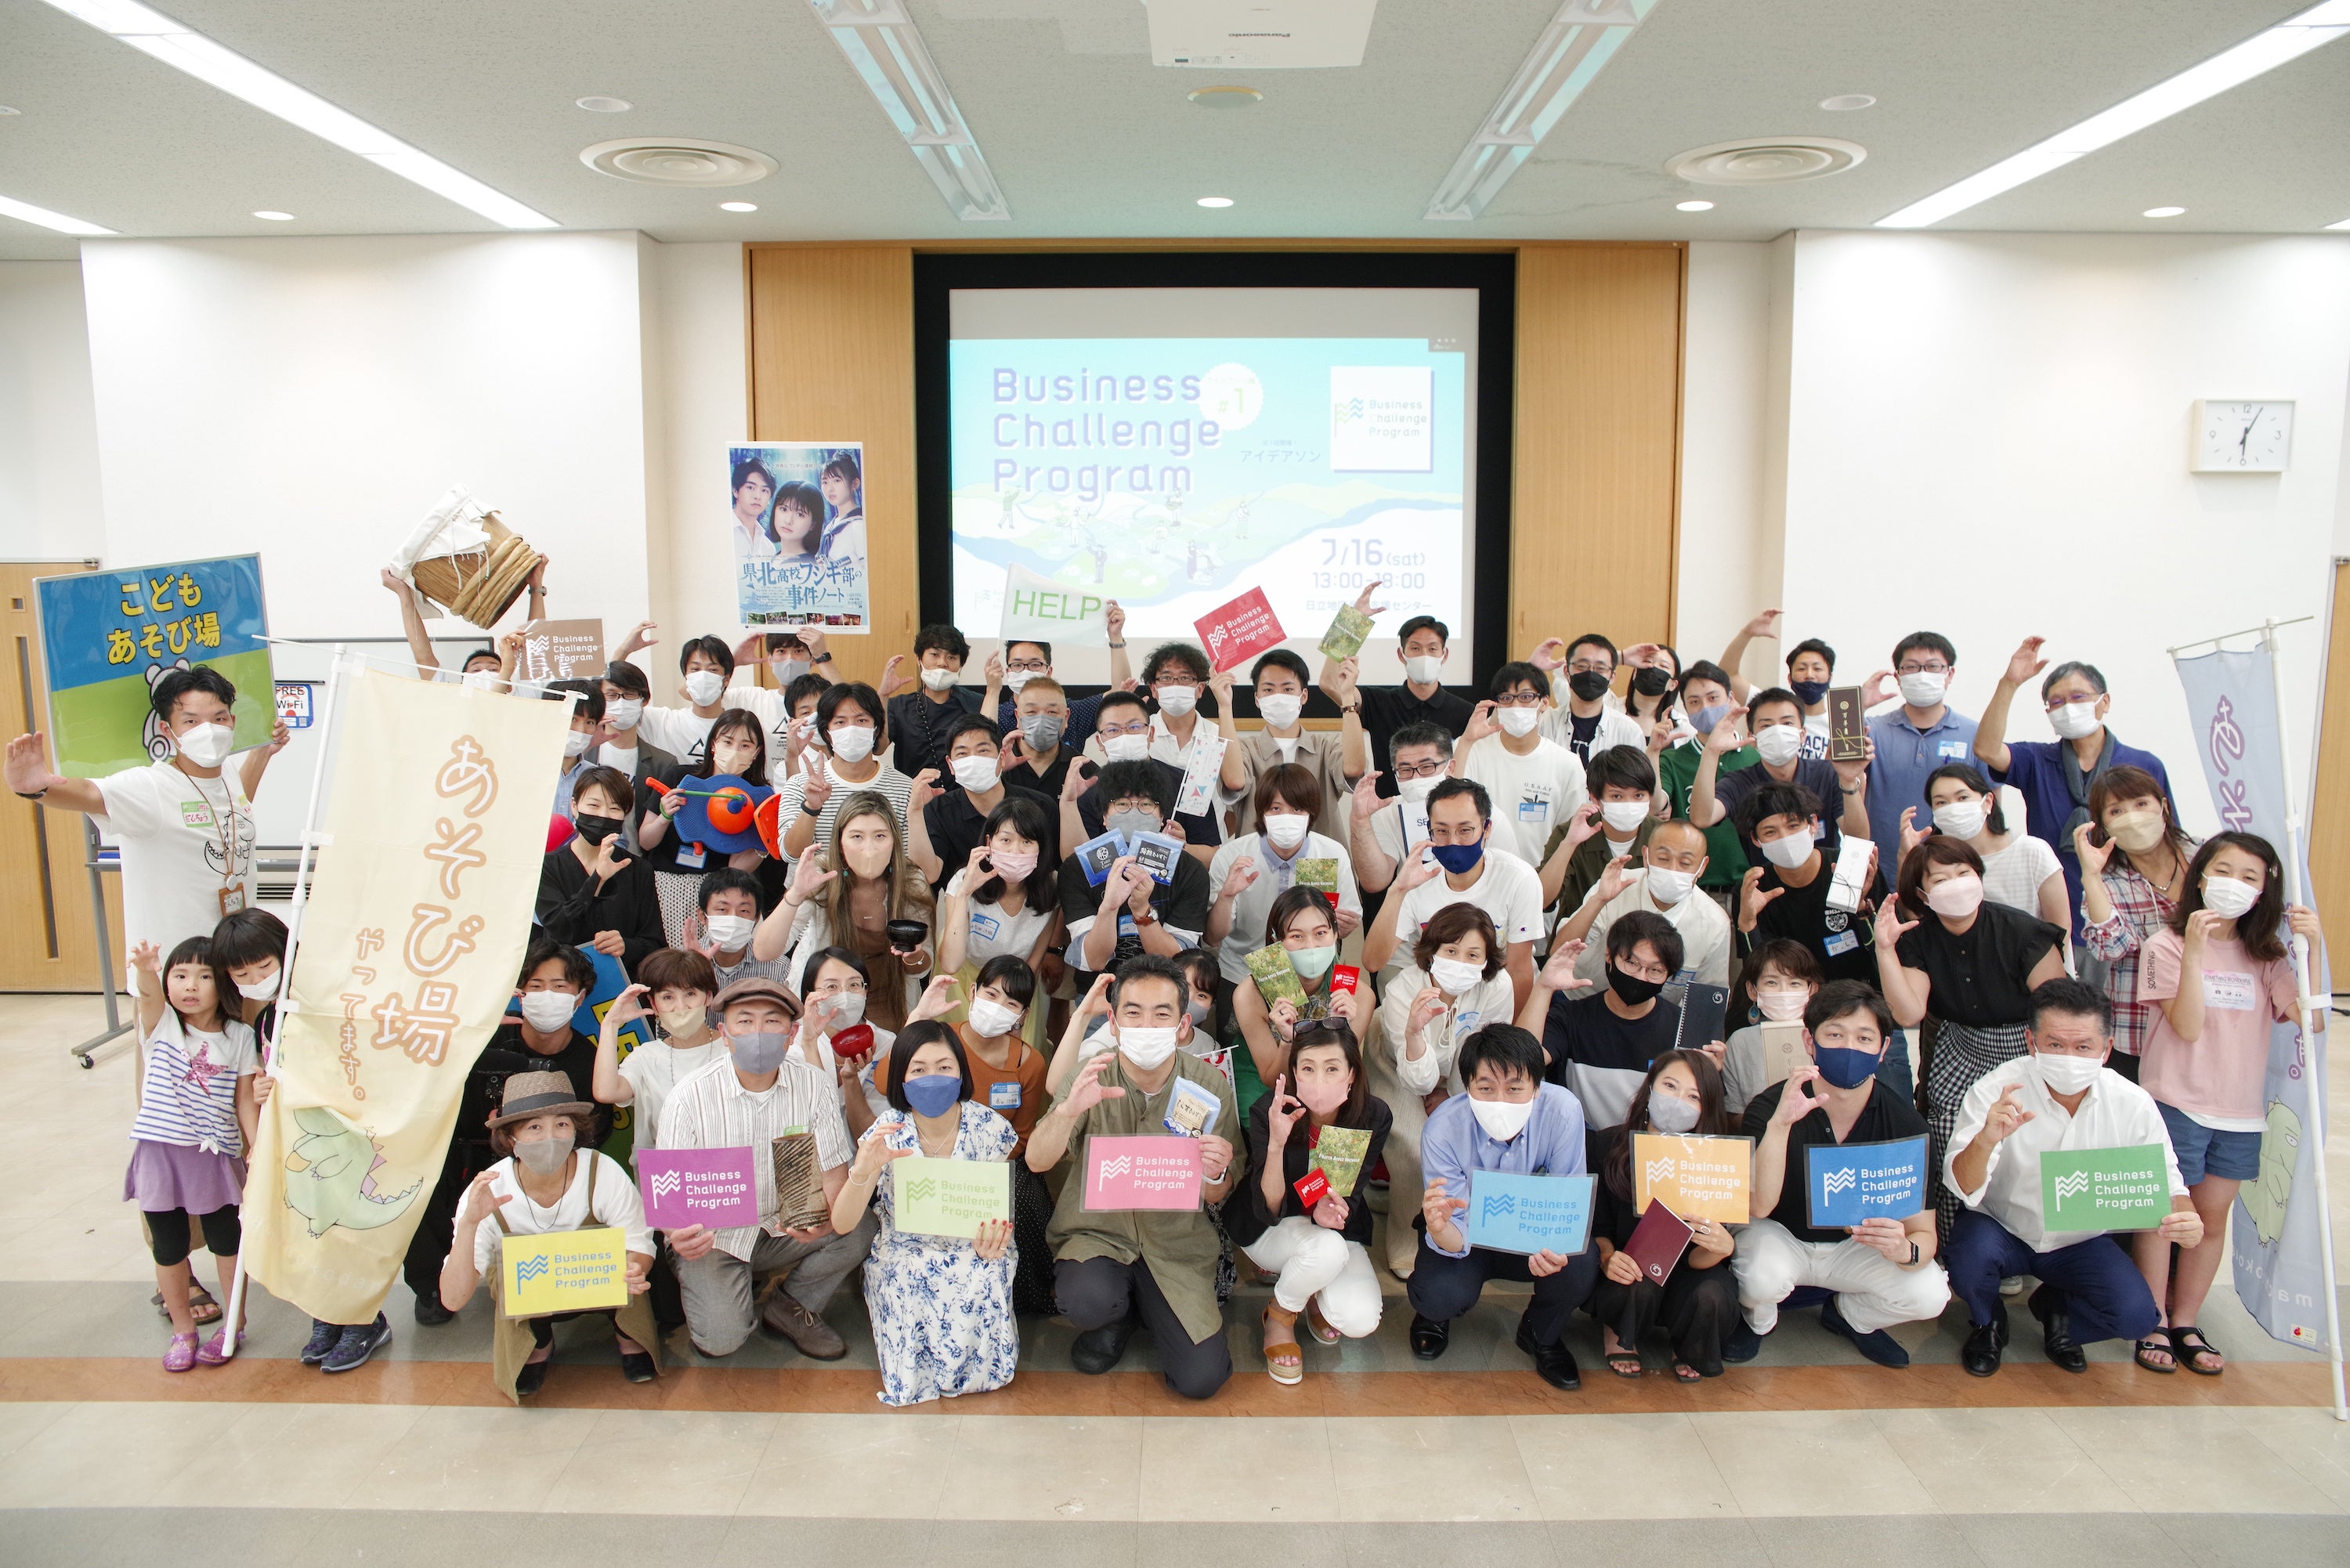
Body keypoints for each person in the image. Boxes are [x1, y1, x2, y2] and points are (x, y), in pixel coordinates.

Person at [2133, 832, 2323, 1376]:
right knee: (2166, 1218)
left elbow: (2311, 1020)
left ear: (2264, 892)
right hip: (2175, 1103)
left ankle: (2186, 1320)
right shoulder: (2165, 945)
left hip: (2239, 1114)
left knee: (2211, 1220)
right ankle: (2152, 1320)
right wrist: (2196, 949)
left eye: (2249, 877)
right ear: (2200, 876)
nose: (2234, 884)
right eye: (2223, 870)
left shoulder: (2267, 956)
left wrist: (2313, 950)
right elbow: (2187, 1026)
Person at [1944, 978, 2197, 1377]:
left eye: (2083, 1047)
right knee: (1968, 1260)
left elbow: (2167, 1181)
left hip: (2081, 1240)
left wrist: (2187, 1217)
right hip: (2003, 1227)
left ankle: (2057, 1312)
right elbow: (1961, 1185)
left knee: (2136, 1317)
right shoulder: (1995, 1090)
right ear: (2032, 1042)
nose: (2069, 1057)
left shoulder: (2132, 1102)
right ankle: (1988, 1322)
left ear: (2106, 1049)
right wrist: (1986, 1139)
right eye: (2055, 1044)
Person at [1029, 956, 1244, 1398]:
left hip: (1176, 1244)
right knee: (1087, 1300)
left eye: (1162, 1014)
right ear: (1113, 1021)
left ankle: (1152, 1306)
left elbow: (1217, 1192)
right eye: (1133, 1012)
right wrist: (1067, 1111)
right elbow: (1037, 1161)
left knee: (1202, 1379)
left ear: (1183, 1025)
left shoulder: (1208, 1085)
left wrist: (1217, 1171)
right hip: (1098, 1235)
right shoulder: (1089, 1075)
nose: (1147, 1025)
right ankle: (1115, 1317)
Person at [6, 665, 284, 978]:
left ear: (232, 722)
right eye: (191, 721)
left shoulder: (228, 773)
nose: (208, 730)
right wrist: (36, 788)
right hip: (175, 972)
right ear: (167, 730)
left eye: (218, 719)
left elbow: (235, 805)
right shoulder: (149, 786)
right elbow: (89, 793)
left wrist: (263, 753)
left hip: (238, 960)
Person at [1728, 981, 1949, 1368]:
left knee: (1930, 1294)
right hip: (1781, 1237)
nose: (1849, 1048)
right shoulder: (1769, 1107)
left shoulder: (1906, 1125)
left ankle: (1851, 1316)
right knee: (1760, 1278)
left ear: (1883, 1049)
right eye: (1835, 1034)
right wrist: (1780, 1126)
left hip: (1857, 1248)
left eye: (1864, 1038)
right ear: (1809, 1041)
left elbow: (1923, 1233)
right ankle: (1758, 1321)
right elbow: (1758, 1207)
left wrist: (1905, 1251)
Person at [656, 977, 877, 1360]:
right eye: (744, 1021)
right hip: (714, 1237)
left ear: (791, 1035)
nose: (758, 1033)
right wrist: (677, 1234)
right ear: (724, 1034)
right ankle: (721, 1286)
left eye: (772, 1021)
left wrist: (826, 1221)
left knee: (859, 1226)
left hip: (784, 1224)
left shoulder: (814, 1085)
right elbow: (669, 1194)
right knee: (721, 1341)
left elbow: (833, 1174)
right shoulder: (688, 1097)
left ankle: (792, 1305)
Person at [1873, 836, 2067, 1242]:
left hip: (2024, 1044)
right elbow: (1908, 1013)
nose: (1957, 884)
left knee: (2027, 1136)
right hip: (1960, 1045)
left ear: (1979, 876)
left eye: (1964, 873)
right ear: (1923, 894)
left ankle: (2030, 1237)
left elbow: (2058, 1009)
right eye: (1941, 879)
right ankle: (1948, 1241)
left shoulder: (2023, 931)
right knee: (1947, 1131)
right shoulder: (1917, 939)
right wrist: (1885, 950)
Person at [404, 938, 595, 1327]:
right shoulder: (488, 1034)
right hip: (470, 1153)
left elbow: (590, 1131)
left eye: (559, 987)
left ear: (580, 997)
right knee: (417, 1179)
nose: (546, 995)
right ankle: (432, 1285)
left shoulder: (588, 1058)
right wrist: (466, 1035)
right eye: (536, 986)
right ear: (519, 992)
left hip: (544, 1164)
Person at [829, 1022, 1021, 1405]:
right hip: (903, 1248)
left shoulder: (989, 1127)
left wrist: (995, 1240)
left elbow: (994, 1205)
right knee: (908, 1277)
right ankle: (916, 1374)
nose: (932, 1077)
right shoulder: (886, 1132)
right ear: (901, 1077)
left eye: (944, 1067)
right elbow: (843, 1223)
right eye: (918, 1069)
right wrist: (863, 1170)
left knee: (984, 1273)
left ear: (962, 1071)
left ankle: (978, 1374)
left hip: (973, 1244)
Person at [438, 1071, 657, 1398]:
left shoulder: (602, 1170)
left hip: (599, 1281)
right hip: (532, 1288)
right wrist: (468, 1224)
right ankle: (537, 1340)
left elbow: (639, 1240)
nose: (550, 1137)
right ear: (511, 1139)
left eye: (562, 1124)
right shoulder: (487, 1189)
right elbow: (453, 1299)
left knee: (624, 1255)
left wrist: (635, 1268)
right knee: (507, 1267)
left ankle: (628, 1334)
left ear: (576, 1130)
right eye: (534, 1127)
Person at [1405, 1023, 1599, 1389]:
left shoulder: (1563, 1111)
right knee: (1438, 1292)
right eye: (1486, 1088)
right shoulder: (1442, 1128)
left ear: (1536, 1086)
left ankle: (1541, 1333)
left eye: (1515, 1088)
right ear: (1467, 1087)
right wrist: (1440, 1229)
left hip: (1531, 1231)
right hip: (1467, 1235)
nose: (1500, 1101)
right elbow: (1453, 1220)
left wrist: (1555, 1247)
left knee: (1579, 1263)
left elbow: (1566, 1197)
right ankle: (1433, 1317)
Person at [1974, 638, 2175, 935]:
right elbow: (1986, 749)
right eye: (2057, 702)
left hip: (2136, 910)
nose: (2068, 707)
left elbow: (2170, 840)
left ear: (2104, 702)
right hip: (2062, 913)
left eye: (2078, 697)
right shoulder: (2038, 761)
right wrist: (2009, 684)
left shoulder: (2142, 764)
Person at [1227, 1021, 1391, 1382]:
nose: (1319, 1079)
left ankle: (1310, 1292)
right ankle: (1280, 1314)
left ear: (1352, 1074)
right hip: (1271, 1228)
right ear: (1294, 1073)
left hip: (1332, 1229)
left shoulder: (1373, 1115)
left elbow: (1353, 1191)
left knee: (1359, 1318)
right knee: (1326, 1251)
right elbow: (1268, 1207)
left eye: (1332, 1068)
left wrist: (1334, 1213)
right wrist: (1276, 1143)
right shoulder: (1270, 1111)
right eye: (1308, 1068)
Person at [125, 936, 258, 1371]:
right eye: (180, 976)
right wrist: (145, 969)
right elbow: (148, 994)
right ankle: (183, 1330)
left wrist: (256, 1147)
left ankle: (234, 1323)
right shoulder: (161, 1023)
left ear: (223, 984)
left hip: (215, 1156)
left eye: (203, 977)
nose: (190, 986)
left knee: (227, 1242)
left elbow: (244, 1100)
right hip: (160, 1155)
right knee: (168, 1247)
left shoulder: (239, 1036)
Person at [1372, 905, 1517, 1276]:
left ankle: (1458, 1229)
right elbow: (1417, 1080)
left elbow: (1485, 1054)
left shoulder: (1497, 987)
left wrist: (1451, 1097)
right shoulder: (1404, 989)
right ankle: (1408, 1240)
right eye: (1451, 951)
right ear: (1432, 949)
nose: (1461, 962)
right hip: (1399, 1065)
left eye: (1473, 955)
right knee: (1416, 1147)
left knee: (1466, 1138)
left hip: (1461, 1074)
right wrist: (1415, 1033)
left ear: (1487, 960)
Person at [1589, 1050, 1740, 1380]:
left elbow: (1697, 1261)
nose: (1677, 1101)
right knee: (1633, 1282)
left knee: (1712, 1294)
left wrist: (1721, 1248)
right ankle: (1619, 1330)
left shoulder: (1717, 1159)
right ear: (1650, 1088)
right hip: (1633, 1266)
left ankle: (1688, 1342)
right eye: (1670, 1086)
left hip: (1688, 1273)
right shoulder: (1608, 1144)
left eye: (1693, 1096)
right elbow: (1597, 1225)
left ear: (1707, 1107)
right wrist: (1608, 1257)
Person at [757, 791, 935, 1031]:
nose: (869, 848)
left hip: (890, 1001)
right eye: (857, 837)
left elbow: (922, 968)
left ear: (894, 841)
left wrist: (913, 956)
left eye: (880, 836)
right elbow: (765, 951)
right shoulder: (822, 874)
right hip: (827, 1001)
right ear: (840, 843)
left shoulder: (911, 880)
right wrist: (796, 894)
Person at [1362, 778, 1545, 1010]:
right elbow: (1373, 961)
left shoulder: (1519, 878)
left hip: (1501, 999)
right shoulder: (1418, 881)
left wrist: (1508, 1030)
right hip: (1438, 1001)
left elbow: (1518, 970)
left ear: (1487, 829)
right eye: (1441, 831)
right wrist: (1397, 890)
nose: (1453, 841)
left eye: (1465, 830)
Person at [2077, 767, 2200, 1082]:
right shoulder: (2108, 880)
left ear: (2164, 807)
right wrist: (2091, 875)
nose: (2132, 817)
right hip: (2139, 1031)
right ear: (2103, 825)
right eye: (2116, 811)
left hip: (2209, 1023)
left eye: (2141, 804)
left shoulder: (2205, 858)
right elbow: (2110, 948)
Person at [950, 954, 1056, 1313]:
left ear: (1023, 1015)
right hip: (939, 1158)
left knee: (1025, 1199)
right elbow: (887, 1081)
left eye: (1011, 1003)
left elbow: (1022, 1135)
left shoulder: (1030, 1062)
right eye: (991, 994)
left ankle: (1026, 1296)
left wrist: (985, 1167)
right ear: (973, 992)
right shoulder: (942, 1042)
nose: (997, 1007)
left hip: (997, 1162)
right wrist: (918, 1018)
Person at [1520, 909, 1689, 1132]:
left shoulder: (1683, 1028)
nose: (1641, 977)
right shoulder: (1571, 1017)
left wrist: (1709, 1072)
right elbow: (1521, 1063)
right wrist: (1544, 987)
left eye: (1655, 970)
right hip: (1584, 1145)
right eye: (1632, 963)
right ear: (1609, 956)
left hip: (1652, 1146)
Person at [1206, 764, 1363, 998]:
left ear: (1311, 813)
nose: (1286, 817)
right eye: (1276, 808)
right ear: (1262, 812)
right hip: (1244, 974)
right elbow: (1212, 937)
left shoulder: (1332, 853)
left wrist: (1344, 926)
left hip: (1313, 976)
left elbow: (1344, 925)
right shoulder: (1232, 856)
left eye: (1297, 809)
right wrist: (1227, 897)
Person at [1058, 761, 1212, 985]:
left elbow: (1178, 961)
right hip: (1099, 991)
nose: (1134, 811)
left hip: (1166, 992)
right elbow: (1094, 960)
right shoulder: (1079, 868)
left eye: (1146, 804)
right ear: (1104, 817)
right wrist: (1109, 907)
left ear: (1162, 818)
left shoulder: (1190, 871)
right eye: (1122, 804)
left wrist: (1142, 910)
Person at [1688, 686, 1869, 872]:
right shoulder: (1740, 782)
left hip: (1825, 880)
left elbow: (1858, 839)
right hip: (1767, 884)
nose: (1778, 731)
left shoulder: (1827, 773)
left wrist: (1849, 781)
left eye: (1787, 723)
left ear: (1803, 734)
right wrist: (1711, 752)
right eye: (1766, 726)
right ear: (1752, 737)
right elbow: (1702, 818)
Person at [1230, 885, 1373, 1115]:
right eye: (1297, 936)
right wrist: (1287, 1040)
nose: (1311, 946)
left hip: (1325, 1079)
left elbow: (1343, 1073)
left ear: (1336, 934)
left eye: (1321, 933)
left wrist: (1341, 1031)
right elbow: (1271, 1079)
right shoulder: (1249, 994)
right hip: (1264, 1078)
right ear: (1276, 940)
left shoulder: (1359, 994)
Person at [935, 796, 1062, 1047]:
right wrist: (965, 893)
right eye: (1006, 840)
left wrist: (1016, 1009)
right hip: (964, 981)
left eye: (1027, 841)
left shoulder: (1051, 886)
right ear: (988, 843)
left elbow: (1034, 961)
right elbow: (950, 963)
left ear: (1041, 847)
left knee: (1018, 1055)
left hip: (1017, 986)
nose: (1015, 850)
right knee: (960, 1051)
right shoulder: (963, 880)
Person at [1734, 782, 1886, 990]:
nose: (1785, 838)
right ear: (1755, 839)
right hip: (1792, 999)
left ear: (1813, 823)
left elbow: (1890, 950)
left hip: (1861, 992)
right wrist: (1748, 923)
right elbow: (1758, 974)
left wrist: (1863, 909)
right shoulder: (1754, 889)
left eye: (1793, 826)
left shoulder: (1851, 868)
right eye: (1770, 832)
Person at [639, 703, 769, 944]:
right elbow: (646, 841)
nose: (735, 751)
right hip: (664, 887)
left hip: (717, 897)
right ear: (713, 745)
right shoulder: (680, 778)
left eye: (745, 745)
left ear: (757, 752)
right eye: (727, 742)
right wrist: (665, 817)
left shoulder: (756, 797)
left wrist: (764, 844)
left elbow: (736, 868)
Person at [1555, 819, 1730, 988]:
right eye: (1663, 858)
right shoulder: (1616, 886)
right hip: (1584, 995)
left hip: (1661, 1008)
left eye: (1685, 863)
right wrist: (1599, 900)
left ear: (1702, 866)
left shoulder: (1714, 922)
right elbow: (1558, 950)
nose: (1672, 869)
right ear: (1646, 856)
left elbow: (1709, 992)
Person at [1320, 591, 1473, 782]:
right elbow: (1330, 683)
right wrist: (1351, 623)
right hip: (1388, 801)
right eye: (1415, 648)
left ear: (1445, 655)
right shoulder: (1379, 702)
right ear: (1402, 655)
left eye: (1432, 648)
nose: (1424, 655)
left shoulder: (1465, 712)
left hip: (1444, 801)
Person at [1862, 632, 1978, 882]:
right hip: (1883, 871)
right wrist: (1857, 704)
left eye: (1933, 667)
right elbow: (1836, 765)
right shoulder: (1873, 729)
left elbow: (1992, 802)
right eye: (1912, 667)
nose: (1923, 675)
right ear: (1898, 677)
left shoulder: (1974, 733)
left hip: (1954, 872)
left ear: (1950, 674)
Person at [590, 950, 725, 1159]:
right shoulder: (645, 1056)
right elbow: (606, 1092)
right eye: (668, 997)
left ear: (708, 996)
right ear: (653, 1004)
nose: (680, 1007)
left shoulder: (732, 1049)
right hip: (664, 1171)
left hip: (724, 1169)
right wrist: (610, 1024)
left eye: (690, 994)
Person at [1452, 661, 1589, 868]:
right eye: (1507, 698)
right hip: (1478, 873)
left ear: (1544, 702)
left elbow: (1571, 834)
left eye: (1526, 697)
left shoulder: (1567, 764)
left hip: (1540, 876)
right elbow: (1449, 803)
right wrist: (1466, 741)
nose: (1516, 706)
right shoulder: (1471, 750)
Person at [1220, 649, 1359, 843]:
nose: (1278, 696)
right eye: (1268, 690)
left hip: (1319, 858)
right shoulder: (1244, 749)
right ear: (1257, 699)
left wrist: (1348, 697)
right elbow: (1234, 781)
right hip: (1258, 857)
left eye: (1287, 689)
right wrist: (1224, 707)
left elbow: (1354, 768)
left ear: (1303, 696)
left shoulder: (1326, 746)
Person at [1907, 764, 2066, 931]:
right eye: (1941, 802)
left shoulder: (2033, 851)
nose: (1953, 808)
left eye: (1962, 798)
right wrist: (1908, 856)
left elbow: (2060, 927)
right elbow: (1917, 919)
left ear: (1988, 802)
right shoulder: (1933, 863)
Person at [537, 765, 663, 970]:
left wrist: (626, 946)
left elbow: (656, 944)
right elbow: (558, 927)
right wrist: (597, 880)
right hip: (563, 979)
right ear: (574, 806)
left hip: (622, 983)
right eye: (594, 805)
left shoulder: (639, 869)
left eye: (614, 808)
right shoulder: (548, 866)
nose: (603, 815)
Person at [1072, 688, 1222, 862]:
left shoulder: (1187, 784)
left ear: (1151, 733)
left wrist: (1180, 848)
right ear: (1100, 741)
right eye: (1113, 730)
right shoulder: (1088, 790)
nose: (1125, 736)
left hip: (1175, 879)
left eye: (1134, 727)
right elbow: (1078, 861)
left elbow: (1212, 856)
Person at [775, 681, 916, 862]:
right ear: (827, 733)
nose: (851, 729)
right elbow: (791, 855)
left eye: (861, 720)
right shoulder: (800, 785)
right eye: (840, 722)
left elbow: (909, 861)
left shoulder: (905, 788)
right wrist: (811, 808)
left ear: (876, 729)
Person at [911, 713, 1055, 884]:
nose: (973, 760)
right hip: (964, 899)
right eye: (962, 753)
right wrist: (914, 811)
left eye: (983, 751)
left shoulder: (1041, 806)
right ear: (951, 764)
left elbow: (1054, 868)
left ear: (1002, 757)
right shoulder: (939, 810)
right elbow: (928, 875)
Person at [1653, 660, 1750, 907]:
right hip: (1692, 888)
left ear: (1730, 699)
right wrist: (1653, 752)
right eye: (1695, 702)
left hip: (1748, 887)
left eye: (1713, 698)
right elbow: (1656, 805)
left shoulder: (1755, 755)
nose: (1705, 708)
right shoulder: (1673, 759)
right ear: (1686, 709)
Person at [1538, 745, 1660, 916]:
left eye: (1638, 796)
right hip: (1579, 932)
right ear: (1595, 798)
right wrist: (1570, 843)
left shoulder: (1663, 835)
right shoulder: (1568, 833)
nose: (1629, 804)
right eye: (1617, 796)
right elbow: (1542, 900)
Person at [993, 605, 1133, 753]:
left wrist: (1116, 636)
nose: (1026, 671)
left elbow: (1121, 692)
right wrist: (992, 690)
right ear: (1008, 671)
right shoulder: (997, 715)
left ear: (1048, 671)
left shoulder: (1074, 712)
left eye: (1035, 665)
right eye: (1017, 665)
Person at [1347, 721, 1452, 896]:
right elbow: (1375, 882)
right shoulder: (1388, 812)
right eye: (1405, 770)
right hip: (1416, 907)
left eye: (1427, 767)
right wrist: (1360, 820)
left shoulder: (1477, 807)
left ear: (1451, 767)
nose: (1416, 777)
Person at [1719, 939, 1821, 1114]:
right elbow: (1734, 1112)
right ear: (1752, 990)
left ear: (1811, 990)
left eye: (1794, 983)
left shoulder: (1826, 1037)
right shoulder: (1740, 1042)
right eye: (1772, 983)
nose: (1783, 991)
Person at [1717, 611, 1835, 758]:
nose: (1809, 675)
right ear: (1790, 678)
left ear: (1830, 677)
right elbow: (1727, 675)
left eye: (1817, 669)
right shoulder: (1768, 708)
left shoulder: (1839, 725)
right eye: (1801, 669)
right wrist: (1747, 633)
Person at [595, 662, 678, 854]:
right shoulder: (584, 751)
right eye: (612, 695)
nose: (621, 702)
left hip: (636, 862)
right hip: (585, 863)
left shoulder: (663, 763)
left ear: (644, 700)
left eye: (630, 694)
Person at [884, 623, 982, 779]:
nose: (942, 663)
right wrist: (883, 695)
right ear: (919, 659)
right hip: (914, 791)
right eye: (935, 655)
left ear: (961, 665)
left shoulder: (977, 702)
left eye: (951, 657)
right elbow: (878, 748)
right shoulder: (899, 706)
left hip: (965, 791)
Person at [627, 633, 739, 770]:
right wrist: (623, 651)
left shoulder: (739, 727)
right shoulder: (664, 722)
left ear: (726, 679)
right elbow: (611, 698)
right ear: (686, 677)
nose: (703, 676)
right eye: (695, 669)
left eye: (712, 670)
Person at [1533, 634, 1647, 763]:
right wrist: (1531, 667)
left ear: (1612, 677)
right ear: (1566, 672)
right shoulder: (1544, 723)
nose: (1591, 673)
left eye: (1601, 668)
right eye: (1582, 666)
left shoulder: (1629, 732)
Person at [685, 867, 794, 992]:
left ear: (756, 919)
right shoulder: (682, 963)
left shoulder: (779, 968)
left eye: (744, 911)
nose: (733, 918)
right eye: (722, 909)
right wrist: (693, 968)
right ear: (702, 916)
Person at [1000, 675, 1086, 799]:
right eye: (1031, 712)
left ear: (1066, 717)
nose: (1041, 720)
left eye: (1052, 712)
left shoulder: (1084, 771)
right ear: (1018, 717)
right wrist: (995, 773)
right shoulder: (999, 767)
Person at [1622, 643, 1681, 738]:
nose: (1653, 667)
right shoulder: (1609, 708)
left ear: (1673, 685)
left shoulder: (1683, 726)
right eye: (1648, 661)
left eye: (1664, 666)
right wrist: (1622, 657)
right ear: (1635, 672)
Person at [730, 455, 779, 559]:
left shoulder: (768, 548)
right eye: (751, 488)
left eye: (764, 490)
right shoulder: (722, 531)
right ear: (735, 491)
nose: (758, 496)